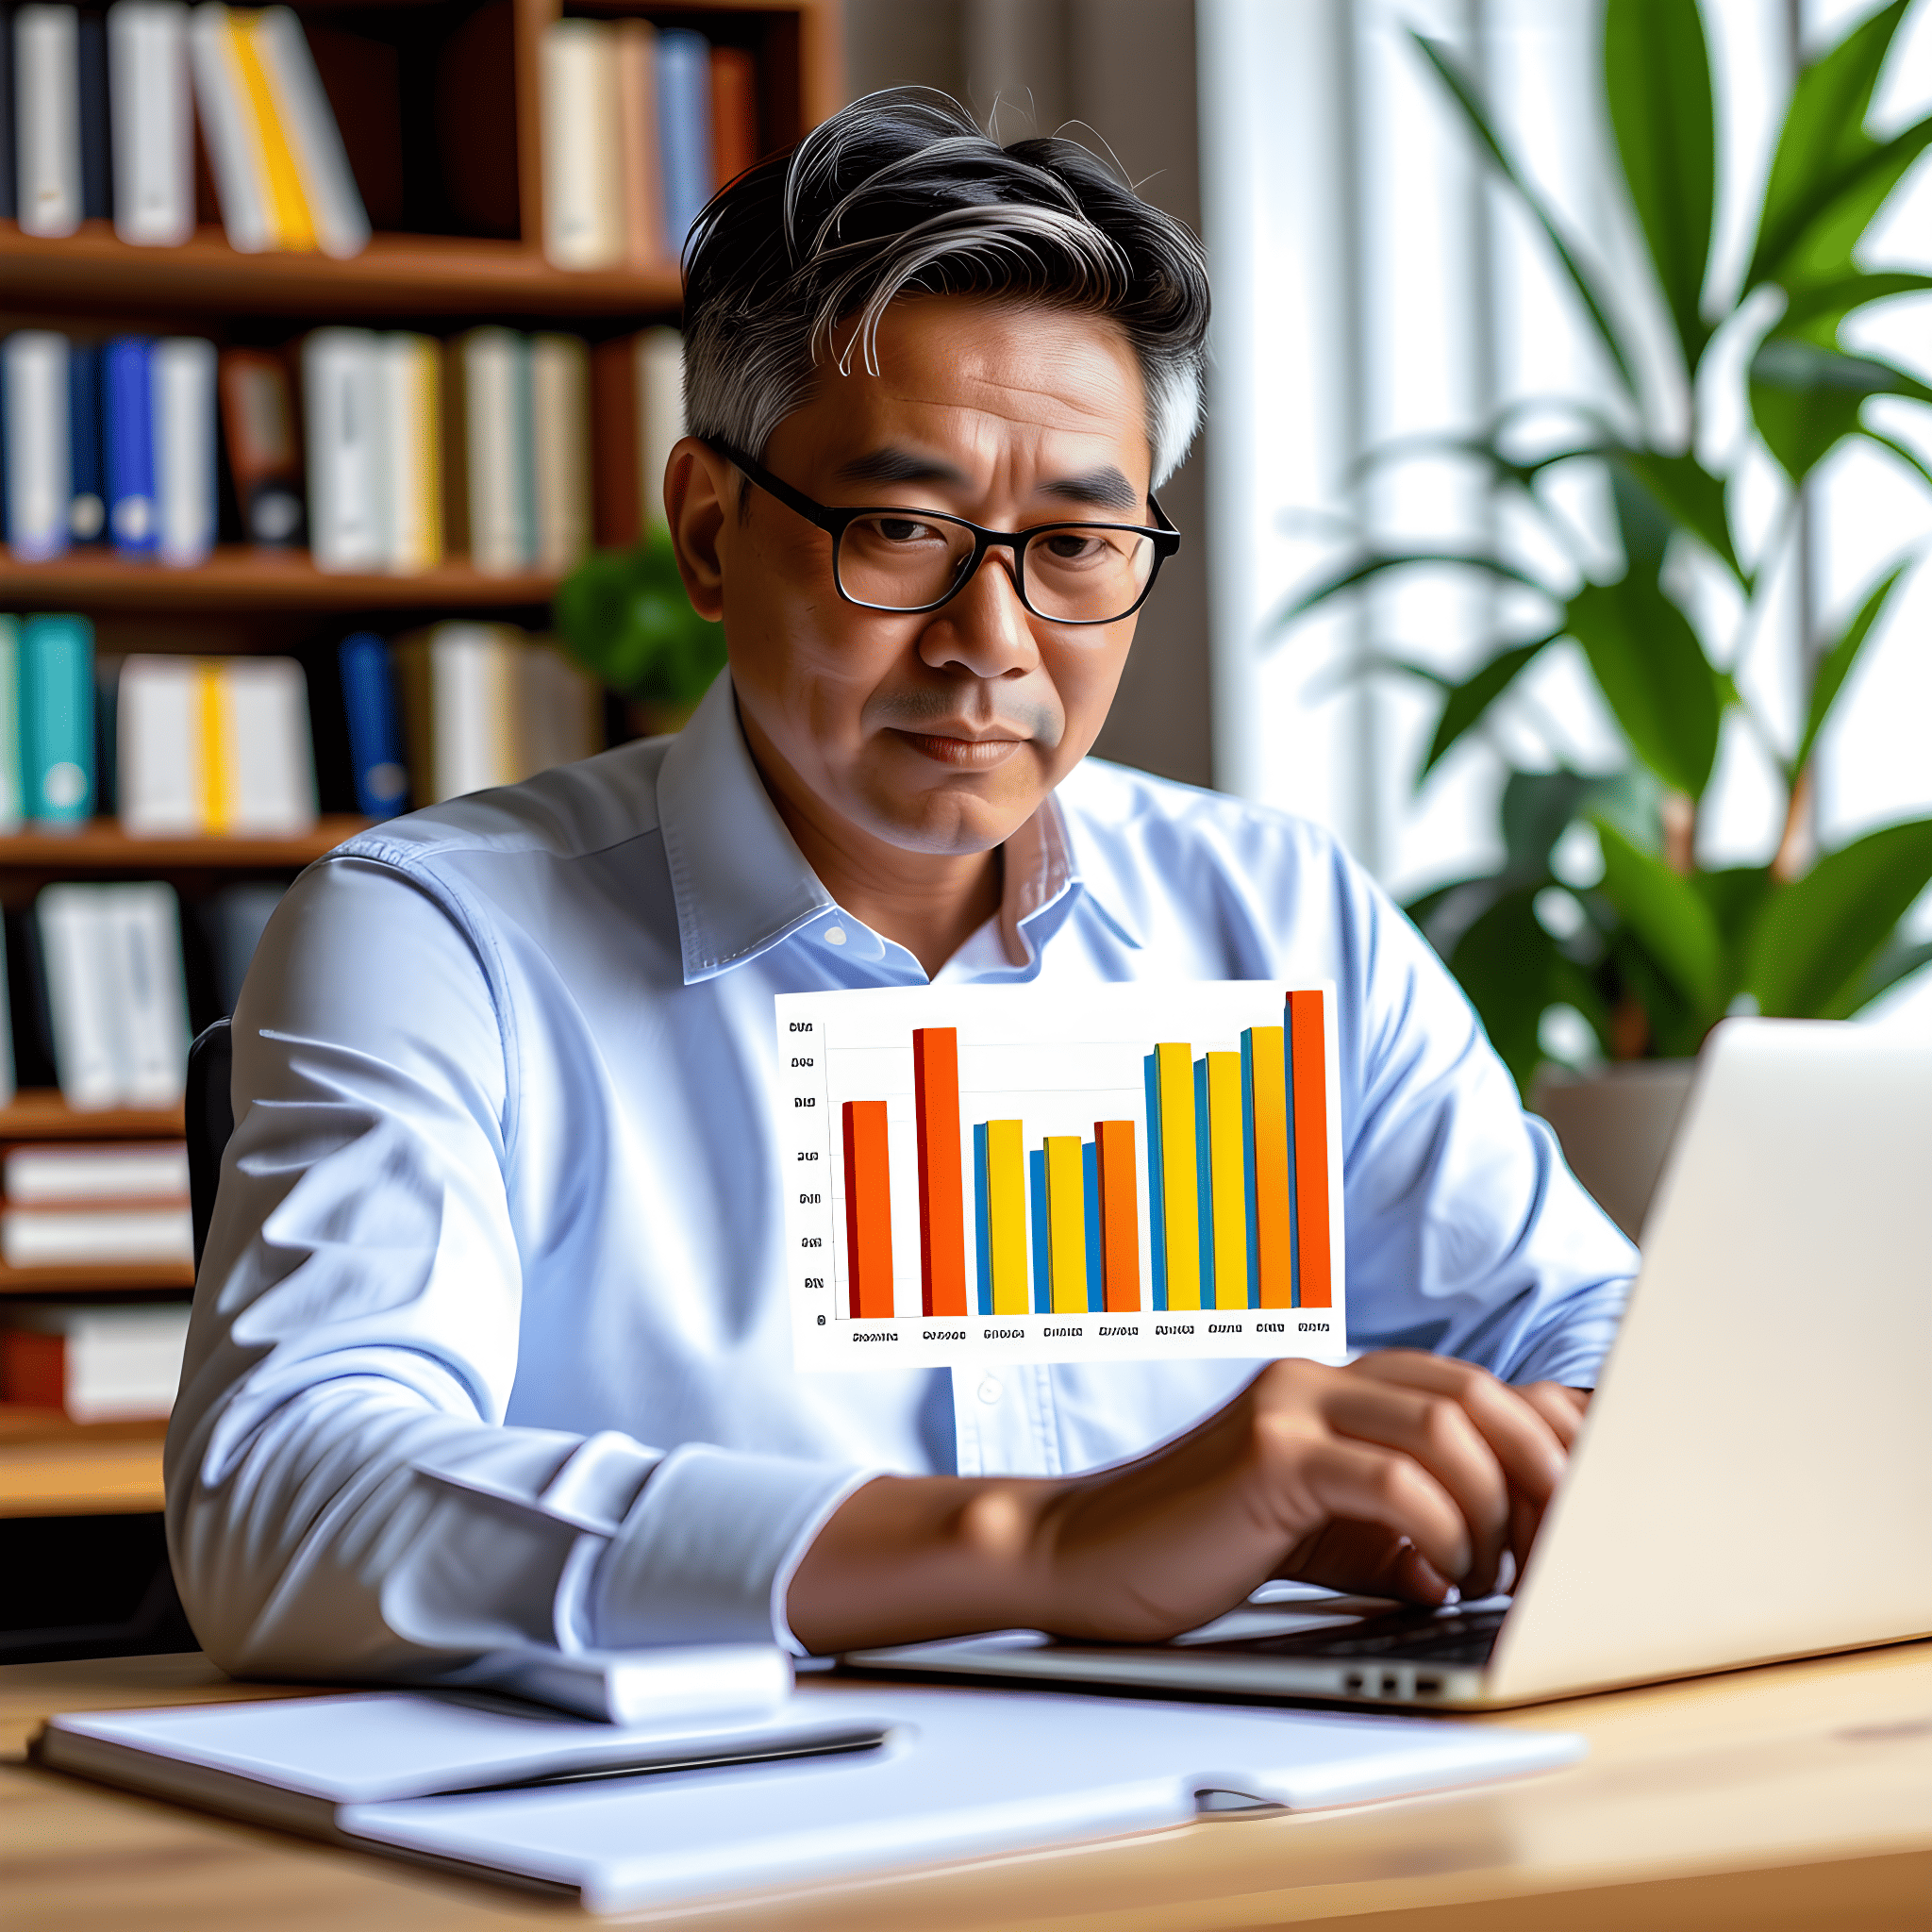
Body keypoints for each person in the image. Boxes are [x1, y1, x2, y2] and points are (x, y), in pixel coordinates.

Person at [166, 91, 1635, 1679]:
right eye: (900, 527)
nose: (991, 639)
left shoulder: (1279, 915)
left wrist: (1530, 1465)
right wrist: (1048, 1544)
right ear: (712, 534)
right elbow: (285, 1500)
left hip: (1260, 1823)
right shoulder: (439, 938)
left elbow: (1593, 1333)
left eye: (1077, 546)